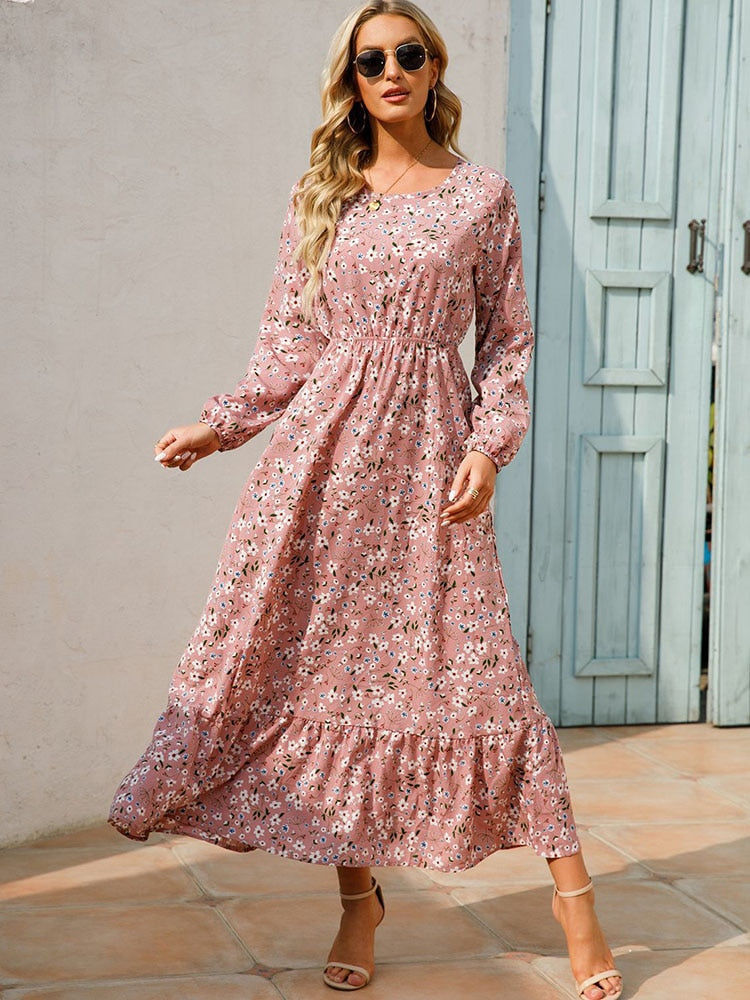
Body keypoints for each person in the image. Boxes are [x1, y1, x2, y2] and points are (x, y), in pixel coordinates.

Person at [108, 3, 623, 998]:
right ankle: (358, 902)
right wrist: (222, 424)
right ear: (351, 79)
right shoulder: (324, 194)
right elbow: (289, 343)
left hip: (433, 466)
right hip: (324, 467)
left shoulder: (482, 196)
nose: (391, 69)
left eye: (408, 53)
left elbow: (508, 341)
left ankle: (577, 904)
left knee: (485, 676)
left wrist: (490, 447)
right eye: (370, 58)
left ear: (434, 68)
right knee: (328, 678)